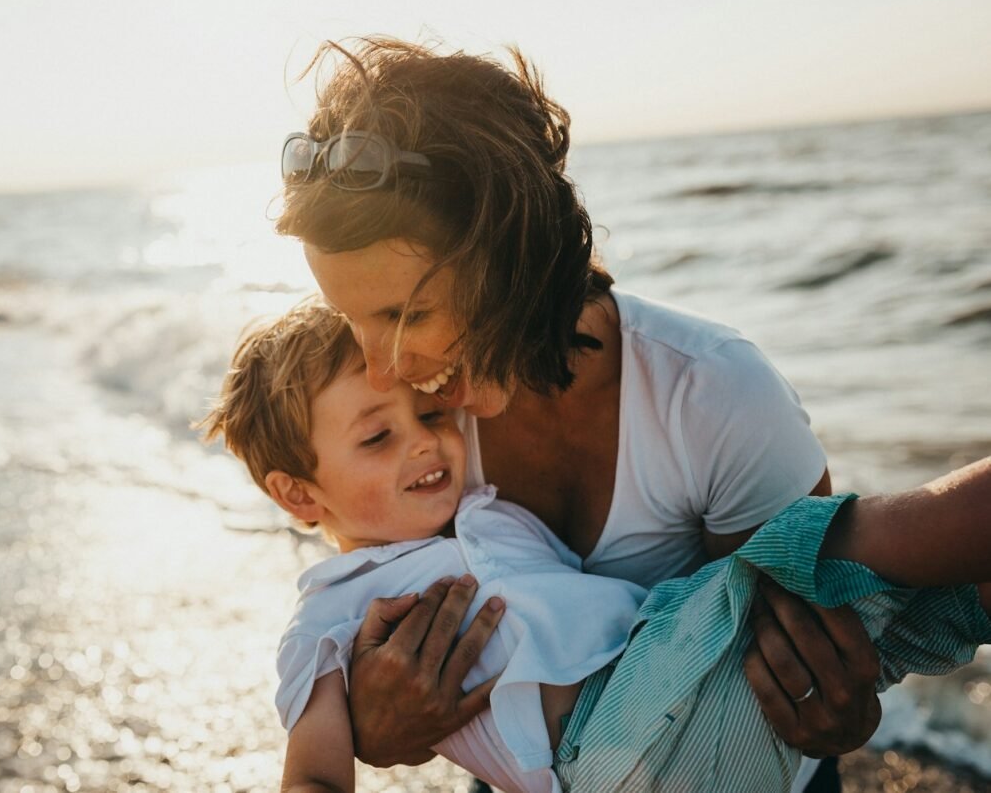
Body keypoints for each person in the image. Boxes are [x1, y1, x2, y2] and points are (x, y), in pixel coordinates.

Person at [274, 37, 879, 791]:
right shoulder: (416, 426)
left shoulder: (715, 396)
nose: (382, 367)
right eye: (351, 319)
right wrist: (376, 724)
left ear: (513, 255)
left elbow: (808, 657)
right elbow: (377, 593)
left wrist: (842, 711)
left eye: (407, 313)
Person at [197, 300, 991, 793]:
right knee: (827, 547)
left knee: (913, 607)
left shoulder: (488, 509)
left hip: (705, 713)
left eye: (430, 415)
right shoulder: (331, 613)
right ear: (299, 494)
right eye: (377, 435)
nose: (426, 443)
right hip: (606, 746)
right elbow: (313, 772)